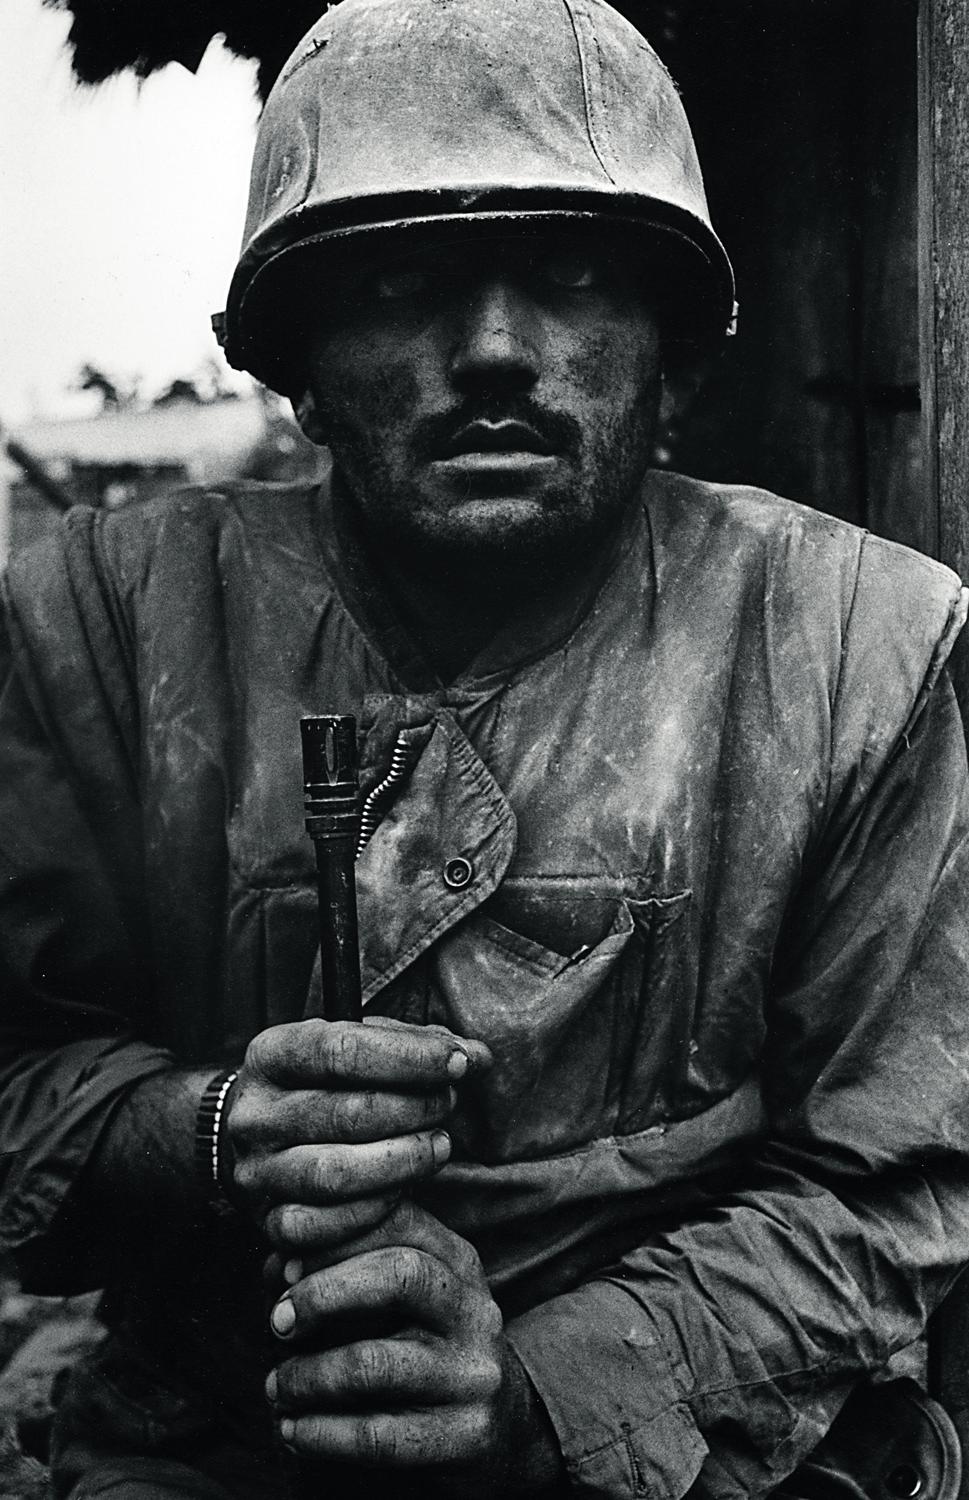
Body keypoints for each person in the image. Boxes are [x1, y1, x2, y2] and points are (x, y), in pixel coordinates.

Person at [2, 0, 969, 1495]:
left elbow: (887, 1184)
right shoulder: (95, 627)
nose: (496, 350)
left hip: (704, 1439)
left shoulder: (857, 643)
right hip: (221, 1435)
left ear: (675, 362)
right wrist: (199, 1133)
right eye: (400, 280)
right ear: (299, 367)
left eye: (574, 276)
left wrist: (547, 1397)